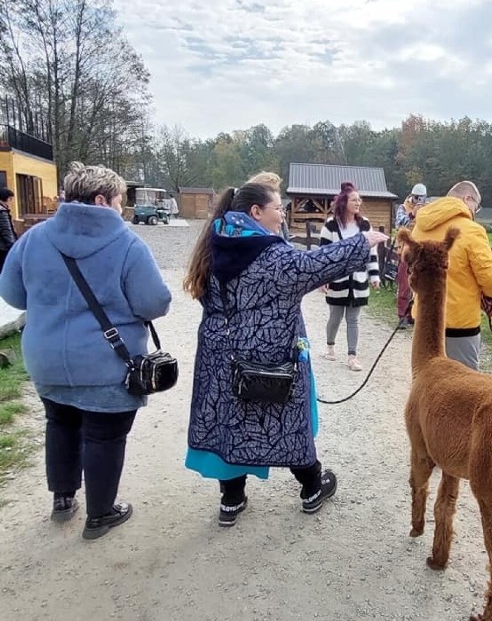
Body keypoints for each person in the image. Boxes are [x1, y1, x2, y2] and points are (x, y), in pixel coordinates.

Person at [183, 182, 387, 526]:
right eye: (278, 208)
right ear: (256, 213)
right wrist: (361, 243)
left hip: (221, 354)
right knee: (288, 420)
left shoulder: (215, 242)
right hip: (269, 354)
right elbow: (310, 267)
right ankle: (311, 488)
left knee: (231, 422)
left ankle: (231, 500)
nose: (283, 215)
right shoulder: (267, 253)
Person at [0, 162, 172, 540]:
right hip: (105, 364)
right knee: (105, 436)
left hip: (45, 359)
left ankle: (63, 500)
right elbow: (155, 302)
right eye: (119, 200)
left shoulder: (34, 237)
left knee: (59, 422)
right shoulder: (127, 243)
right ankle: (100, 514)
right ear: (101, 199)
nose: (122, 209)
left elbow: (12, 293)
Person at [410, 181, 492, 370]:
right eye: (476, 207)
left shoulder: (420, 226)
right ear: (467, 199)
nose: (474, 213)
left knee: (425, 382)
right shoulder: (471, 230)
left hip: (425, 321)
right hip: (459, 325)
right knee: (464, 387)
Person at [319, 182, 380, 372]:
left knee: (353, 319)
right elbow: (323, 255)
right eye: (354, 199)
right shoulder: (330, 226)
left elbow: (372, 252)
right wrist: (322, 279)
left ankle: (352, 356)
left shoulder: (365, 225)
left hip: (359, 280)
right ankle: (330, 346)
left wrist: (374, 275)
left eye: (359, 199)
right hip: (337, 280)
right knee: (335, 317)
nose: (358, 202)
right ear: (344, 202)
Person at [394, 183, 427, 327]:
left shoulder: (427, 208)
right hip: (405, 252)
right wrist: (412, 214)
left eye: (421, 198)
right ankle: (402, 316)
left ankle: (413, 315)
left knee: (420, 286)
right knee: (405, 285)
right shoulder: (403, 208)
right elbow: (399, 224)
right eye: (416, 197)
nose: (418, 200)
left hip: (420, 251)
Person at [247, 171, 290, 242]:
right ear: (256, 211)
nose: (283, 214)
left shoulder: (280, 223)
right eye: (277, 208)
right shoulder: (246, 237)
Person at [0, 187, 18, 272]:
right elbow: (6, 231)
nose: (11, 202)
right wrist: (13, 246)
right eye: (11, 199)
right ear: (7, 198)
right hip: (3, 247)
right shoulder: (2, 212)